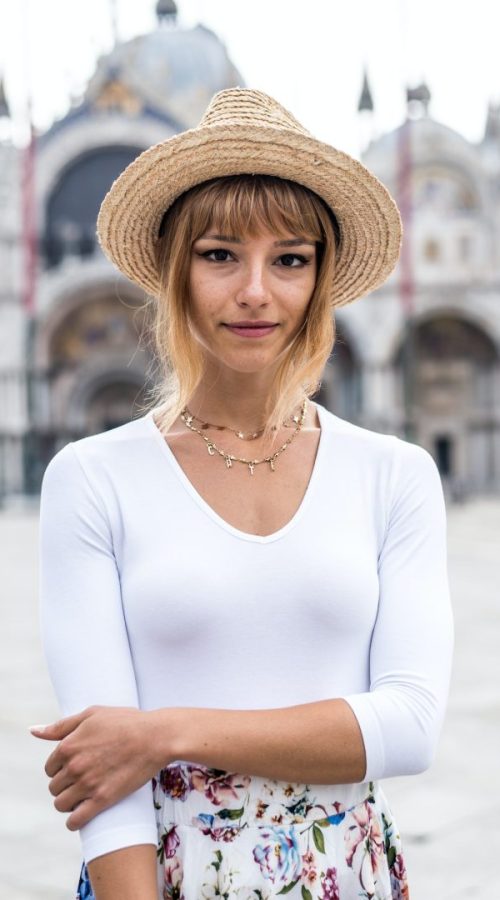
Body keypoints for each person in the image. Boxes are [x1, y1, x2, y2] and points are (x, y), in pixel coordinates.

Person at [32, 88, 453, 900]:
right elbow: (104, 784)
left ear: (320, 280)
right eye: (221, 254)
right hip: (163, 873)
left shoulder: (393, 474)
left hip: (347, 876)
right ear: (175, 271)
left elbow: (409, 725)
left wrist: (164, 734)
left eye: (290, 259)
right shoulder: (91, 478)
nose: (256, 291)